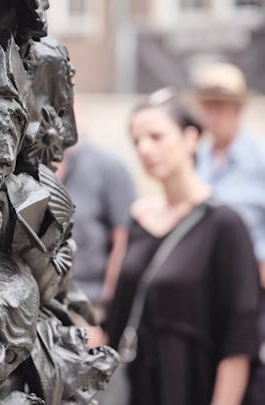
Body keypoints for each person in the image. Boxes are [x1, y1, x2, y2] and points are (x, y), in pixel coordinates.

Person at [105, 88, 259, 405]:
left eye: (157, 136)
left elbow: (239, 341)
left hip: (192, 387)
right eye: (137, 141)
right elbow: (116, 317)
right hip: (138, 389)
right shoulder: (141, 221)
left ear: (191, 138)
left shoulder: (225, 225)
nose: (145, 149)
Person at [192, 63, 265, 404]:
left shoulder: (259, 160)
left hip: (253, 287)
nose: (211, 115)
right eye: (206, 106)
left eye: (218, 107)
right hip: (205, 286)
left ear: (236, 110)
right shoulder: (198, 159)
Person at [63, 141, 135, 307]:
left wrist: (103, 308)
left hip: (91, 300)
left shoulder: (108, 166)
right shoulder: (30, 167)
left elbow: (124, 241)